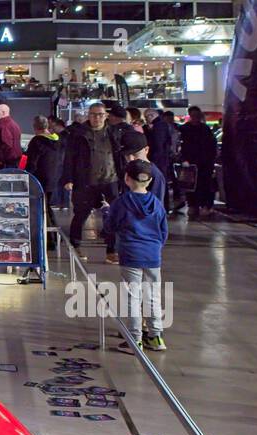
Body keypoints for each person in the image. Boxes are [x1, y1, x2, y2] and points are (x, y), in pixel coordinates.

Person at [102, 159, 169, 352]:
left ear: (126, 179)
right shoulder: (157, 203)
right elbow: (164, 231)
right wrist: (155, 248)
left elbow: (110, 227)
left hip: (131, 255)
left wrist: (106, 211)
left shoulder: (121, 203)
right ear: (149, 181)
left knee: (133, 297)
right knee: (153, 296)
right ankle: (156, 337)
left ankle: (135, 339)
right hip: (153, 256)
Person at [64, 102, 121, 261]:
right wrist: (68, 178)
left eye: (100, 114)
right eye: (93, 114)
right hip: (85, 181)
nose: (97, 118)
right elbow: (69, 158)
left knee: (112, 216)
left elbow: (120, 155)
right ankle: (75, 246)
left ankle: (112, 251)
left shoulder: (113, 132)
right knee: (81, 215)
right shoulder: (78, 133)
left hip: (110, 180)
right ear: (88, 115)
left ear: (106, 116)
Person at [22, 115, 64, 283]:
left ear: (35, 126)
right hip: (54, 181)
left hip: (39, 181)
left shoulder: (37, 142)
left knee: (41, 211)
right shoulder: (57, 141)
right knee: (48, 209)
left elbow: (32, 163)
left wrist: (26, 178)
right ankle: (53, 240)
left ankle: (48, 241)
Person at [180, 106, 219, 217]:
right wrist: (184, 159)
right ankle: (193, 205)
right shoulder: (185, 129)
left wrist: (212, 158)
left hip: (205, 162)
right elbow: (181, 145)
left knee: (205, 184)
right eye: (193, 115)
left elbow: (212, 145)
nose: (195, 117)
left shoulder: (204, 128)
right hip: (191, 162)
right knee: (191, 185)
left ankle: (205, 205)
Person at [118, 128, 165, 208]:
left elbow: (155, 207)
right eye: (126, 155)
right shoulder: (126, 169)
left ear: (146, 150)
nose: (131, 159)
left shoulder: (155, 174)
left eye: (135, 154)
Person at [146, 110, 179, 211]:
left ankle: (162, 207)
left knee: (158, 184)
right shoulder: (163, 126)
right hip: (163, 159)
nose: (146, 119)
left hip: (158, 160)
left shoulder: (158, 126)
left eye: (147, 117)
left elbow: (157, 144)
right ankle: (164, 206)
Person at [0, 103, 23, 169]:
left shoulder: (4, 126)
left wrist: (1, 159)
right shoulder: (13, 124)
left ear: (3, 112)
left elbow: (6, 144)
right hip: (14, 160)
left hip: (7, 162)